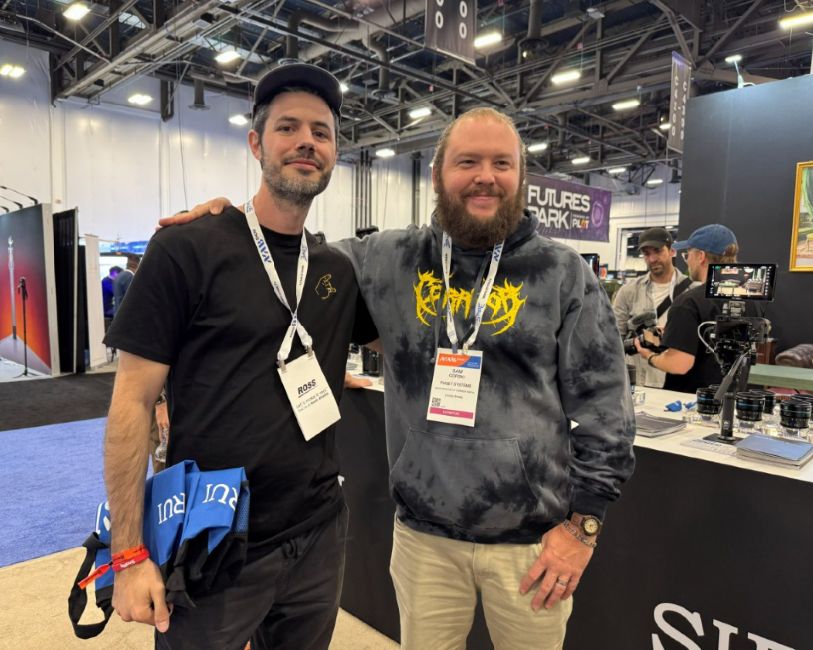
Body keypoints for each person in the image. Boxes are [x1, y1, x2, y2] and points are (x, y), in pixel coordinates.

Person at [164, 107, 636, 649]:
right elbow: (292, 258)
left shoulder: (561, 272)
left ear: (521, 176)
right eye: (468, 162)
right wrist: (229, 224)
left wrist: (584, 527)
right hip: (423, 539)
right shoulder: (388, 258)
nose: (485, 176)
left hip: (530, 544)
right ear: (437, 175)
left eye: (502, 163)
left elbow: (606, 408)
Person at [102, 63, 377, 650]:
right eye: (287, 128)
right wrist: (128, 553)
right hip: (214, 533)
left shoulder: (336, 270)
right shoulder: (187, 248)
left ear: (335, 154)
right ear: (256, 143)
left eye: (322, 132)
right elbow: (131, 402)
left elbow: (396, 342)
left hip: (318, 532)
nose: (306, 142)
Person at [636, 224, 757, 394]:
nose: (687, 261)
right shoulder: (751, 300)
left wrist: (648, 356)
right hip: (732, 398)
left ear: (701, 256)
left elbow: (678, 365)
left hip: (690, 401)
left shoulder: (688, 302)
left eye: (688, 254)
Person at [613, 227, 696, 388]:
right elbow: (615, 338)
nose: (652, 259)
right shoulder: (628, 291)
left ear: (672, 251)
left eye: (657, 251)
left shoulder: (692, 291)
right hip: (636, 381)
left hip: (675, 382)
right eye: (646, 254)